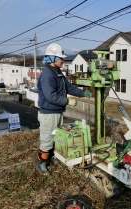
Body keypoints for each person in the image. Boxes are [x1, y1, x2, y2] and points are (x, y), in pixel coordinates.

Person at [36, 43, 91, 175]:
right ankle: (42, 163)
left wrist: (83, 93)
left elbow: (69, 87)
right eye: (60, 58)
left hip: (57, 111)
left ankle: (51, 158)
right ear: (52, 59)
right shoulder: (47, 75)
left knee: (56, 137)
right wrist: (68, 101)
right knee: (47, 140)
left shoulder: (58, 72)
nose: (63, 60)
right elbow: (51, 96)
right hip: (49, 113)